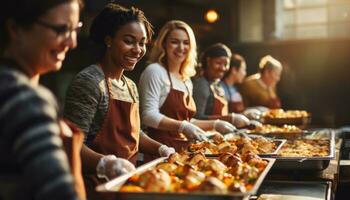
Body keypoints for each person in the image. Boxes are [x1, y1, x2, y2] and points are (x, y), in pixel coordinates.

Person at [63, 3, 175, 198]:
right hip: (96, 189)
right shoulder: (89, 81)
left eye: (142, 43)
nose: (138, 50)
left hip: (128, 187)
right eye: (129, 41)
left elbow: (133, 134)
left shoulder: (130, 86)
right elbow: (71, 145)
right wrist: (106, 164)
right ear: (109, 40)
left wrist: (162, 149)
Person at [0, 0, 84, 199]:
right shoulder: (24, 99)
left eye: (76, 29)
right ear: (16, 29)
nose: (72, 42)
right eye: (61, 29)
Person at [139, 20, 237, 157]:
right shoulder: (154, 71)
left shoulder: (186, 80)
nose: (181, 48)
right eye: (175, 42)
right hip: (160, 152)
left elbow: (186, 120)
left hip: (184, 151)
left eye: (186, 43)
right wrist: (182, 126)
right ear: (164, 44)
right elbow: (148, 116)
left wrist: (215, 124)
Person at [193, 43, 250, 128]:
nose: (223, 68)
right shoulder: (201, 84)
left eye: (226, 64)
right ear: (208, 61)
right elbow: (197, 118)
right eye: (218, 63)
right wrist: (229, 119)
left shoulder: (216, 83)